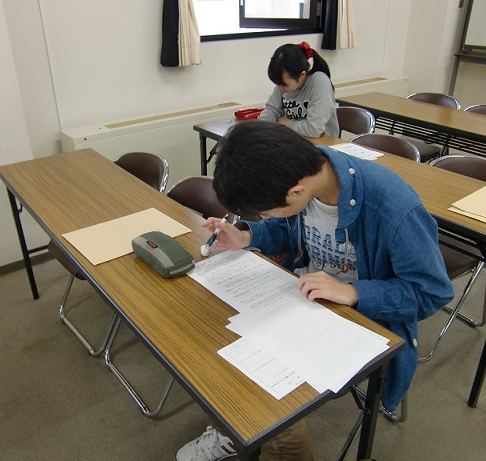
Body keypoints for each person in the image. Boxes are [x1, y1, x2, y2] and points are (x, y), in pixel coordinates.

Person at [176, 120, 454, 461]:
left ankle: (250, 432)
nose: (266, 217)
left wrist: (353, 293)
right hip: (304, 296)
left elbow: (432, 291)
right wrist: (247, 237)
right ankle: (238, 428)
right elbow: (287, 229)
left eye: (266, 211)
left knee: (266, 393)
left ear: (296, 191)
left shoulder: (392, 206)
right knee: (212, 331)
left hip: (362, 316)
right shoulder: (304, 177)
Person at [258, 42, 339, 138]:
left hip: (324, 143)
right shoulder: (283, 84)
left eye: (284, 85)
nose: (280, 88)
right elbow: (272, 110)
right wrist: (261, 128)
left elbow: (314, 130)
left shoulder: (319, 81)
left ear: (302, 75)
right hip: (295, 139)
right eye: (277, 84)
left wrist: (288, 123)